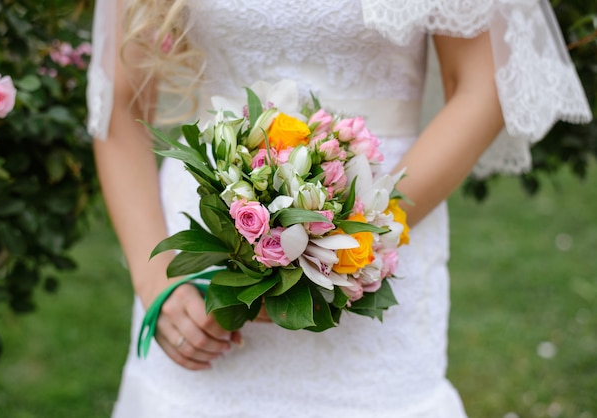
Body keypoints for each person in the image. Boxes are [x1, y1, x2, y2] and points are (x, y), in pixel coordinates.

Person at [86, 1, 591, 417]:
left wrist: (350, 236)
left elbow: (481, 86)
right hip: (204, 269)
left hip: (380, 242)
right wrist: (158, 282)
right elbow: (122, 101)